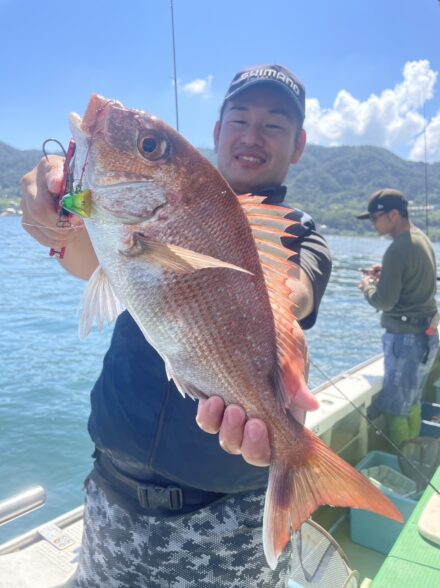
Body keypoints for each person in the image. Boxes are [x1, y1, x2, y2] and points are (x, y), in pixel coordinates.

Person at [21, 64, 332, 587]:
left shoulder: (298, 234)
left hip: (226, 524)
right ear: (216, 132)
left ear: (298, 145)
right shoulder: (128, 213)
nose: (253, 136)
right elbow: (84, 249)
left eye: (274, 125)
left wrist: (273, 319)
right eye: (240, 118)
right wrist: (57, 201)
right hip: (112, 500)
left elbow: (294, 291)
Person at [357, 188, 439, 447]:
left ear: (393, 215)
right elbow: (412, 280)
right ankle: (414, 453)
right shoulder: (420, 240)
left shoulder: (397, 250)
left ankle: (403, 464)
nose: (373, 224)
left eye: (375, 217)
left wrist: (368, 285)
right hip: (426, 336)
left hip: (405, 341)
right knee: (411, 403)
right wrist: (387, 274)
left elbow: (384, 301)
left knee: (395, 409)